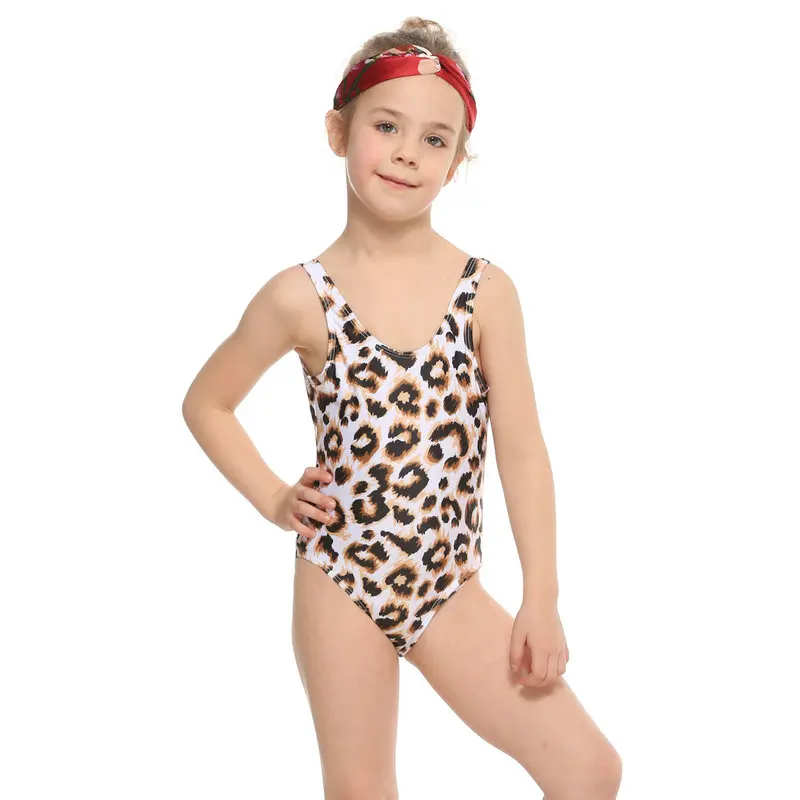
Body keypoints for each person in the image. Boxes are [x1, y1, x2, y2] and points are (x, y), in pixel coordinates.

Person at [182, 17, 622, 800]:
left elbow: (523, 451)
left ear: (456, 162)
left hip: (445, 583)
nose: (408, 153)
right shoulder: (299, 297)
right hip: (341, 577)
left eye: (435, 139)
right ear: (338, 132)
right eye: (386, 126)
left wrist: (542, 597)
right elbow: (207, 403)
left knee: (588, 769)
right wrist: (276, 498)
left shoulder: (486, 294)